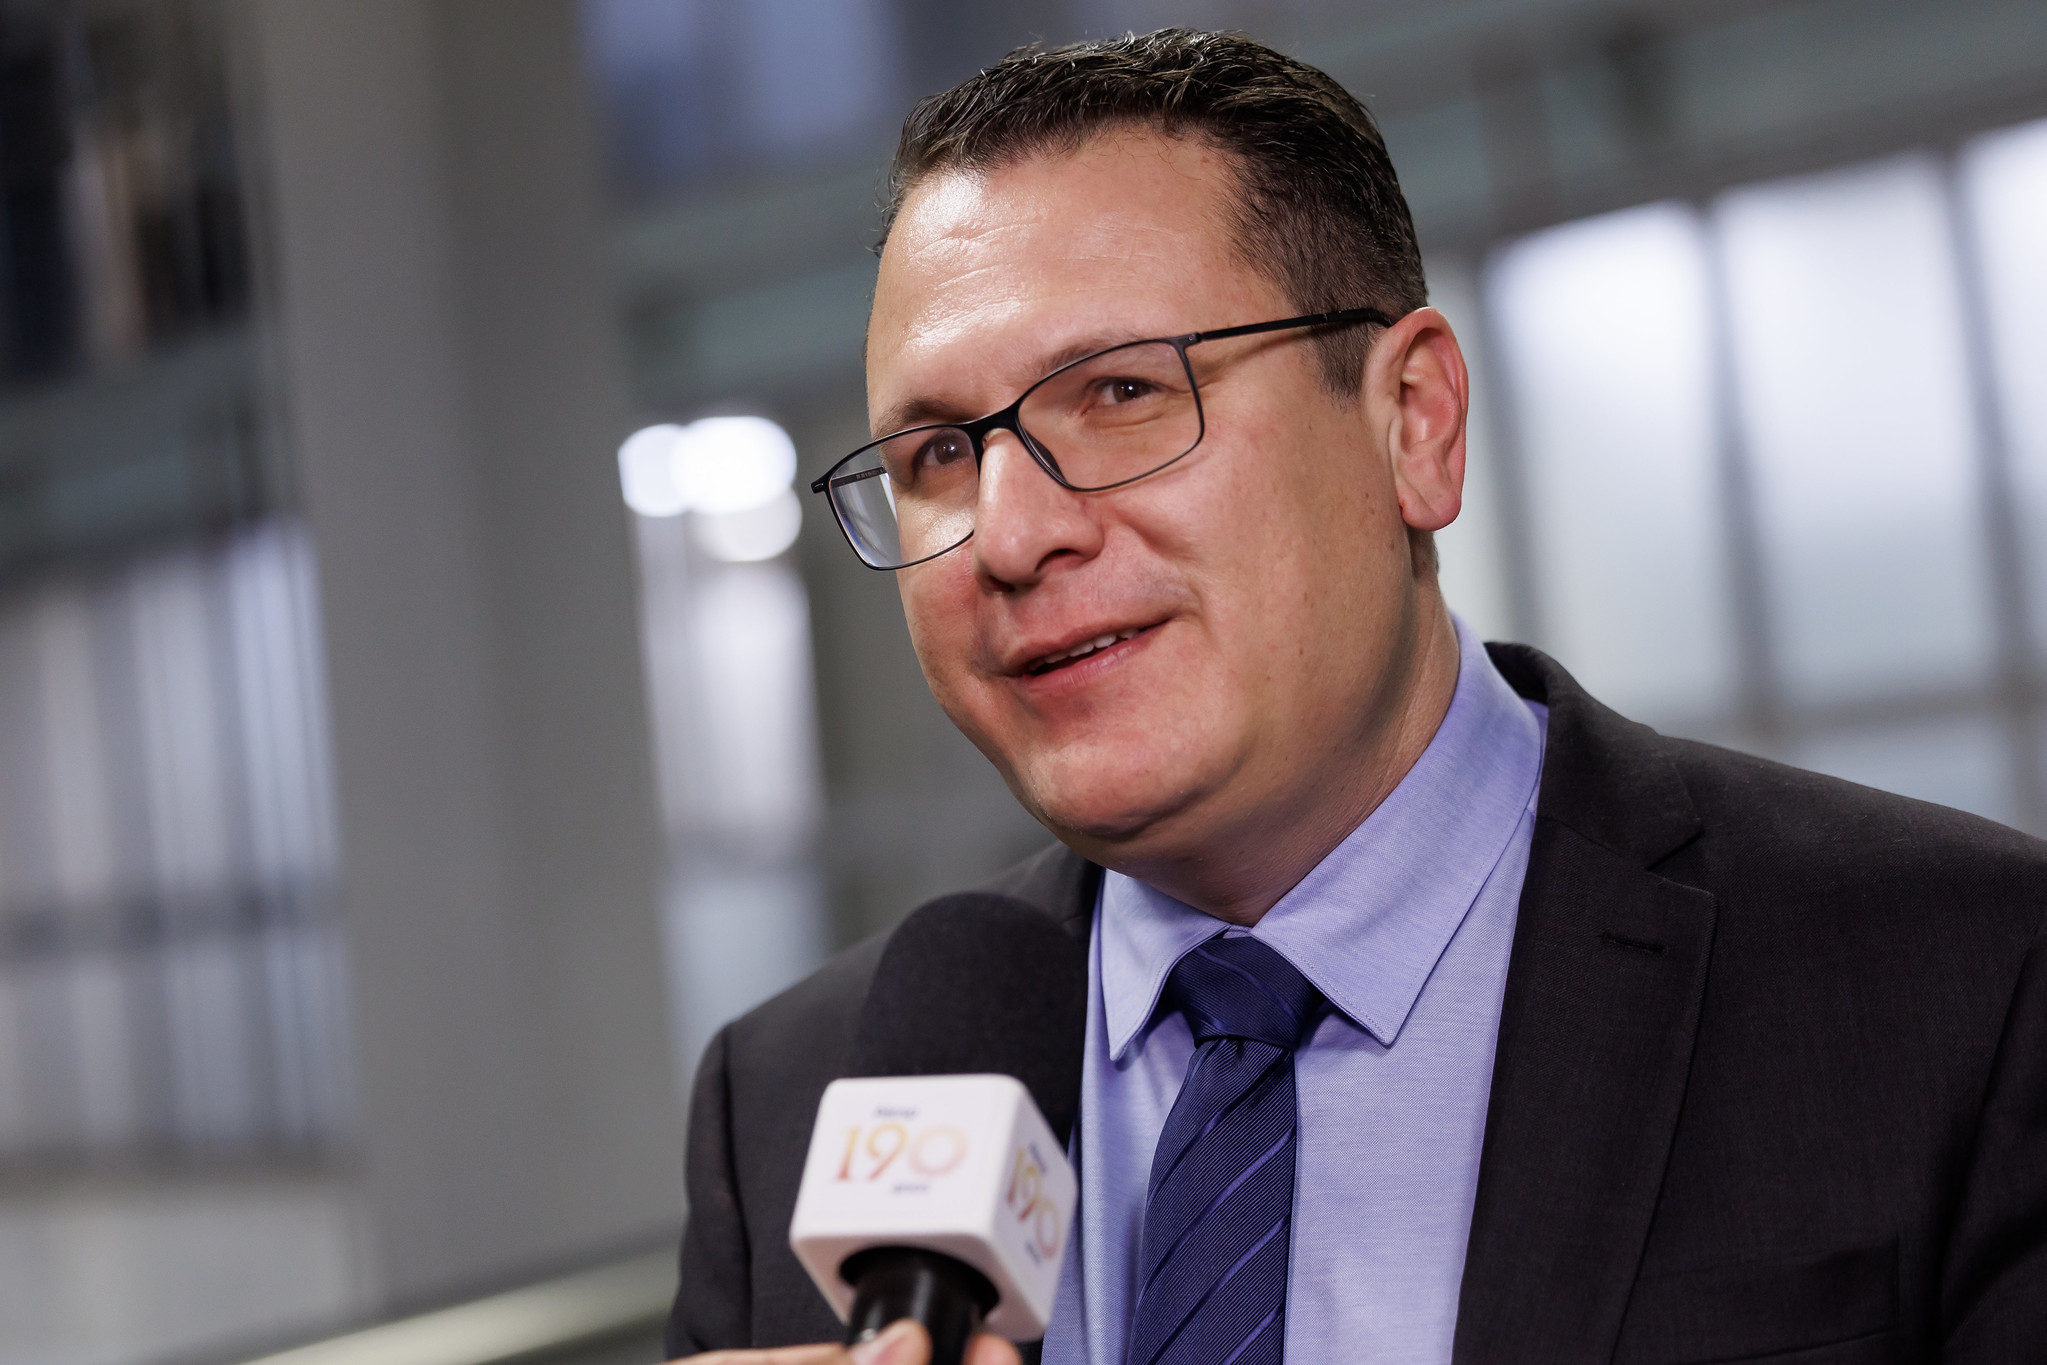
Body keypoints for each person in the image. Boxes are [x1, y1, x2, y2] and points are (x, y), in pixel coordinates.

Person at [665, 29, 2047, 1365]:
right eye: (938, 455)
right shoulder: (789, 1101)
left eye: (1124, 391)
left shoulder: (1965, 982)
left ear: (1414, 423)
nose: (1014, 536)